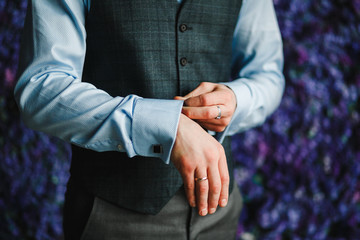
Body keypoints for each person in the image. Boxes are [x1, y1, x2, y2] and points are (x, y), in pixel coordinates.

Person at [15, 0, 284, 239]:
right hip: (112, 214)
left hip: (221, 212)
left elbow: (267, 73)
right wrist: (166, 126)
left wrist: (237, 99)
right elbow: (42, 87)